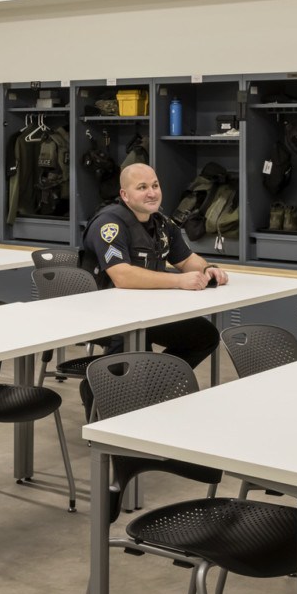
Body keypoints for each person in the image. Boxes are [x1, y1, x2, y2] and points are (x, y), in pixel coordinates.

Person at [78, 163, 228, 411]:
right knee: (133, 348)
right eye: (142, 187)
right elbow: (122, 275)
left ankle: (153, 386)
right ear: (125, 195)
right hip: (106, 316)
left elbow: (185, 259)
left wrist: (205, 269)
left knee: (204, 336)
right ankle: (98, 399)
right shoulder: (109, 224)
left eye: (155, 186)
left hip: (147, 312)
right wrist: (179, 281)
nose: (152, 193)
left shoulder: (161, 223)